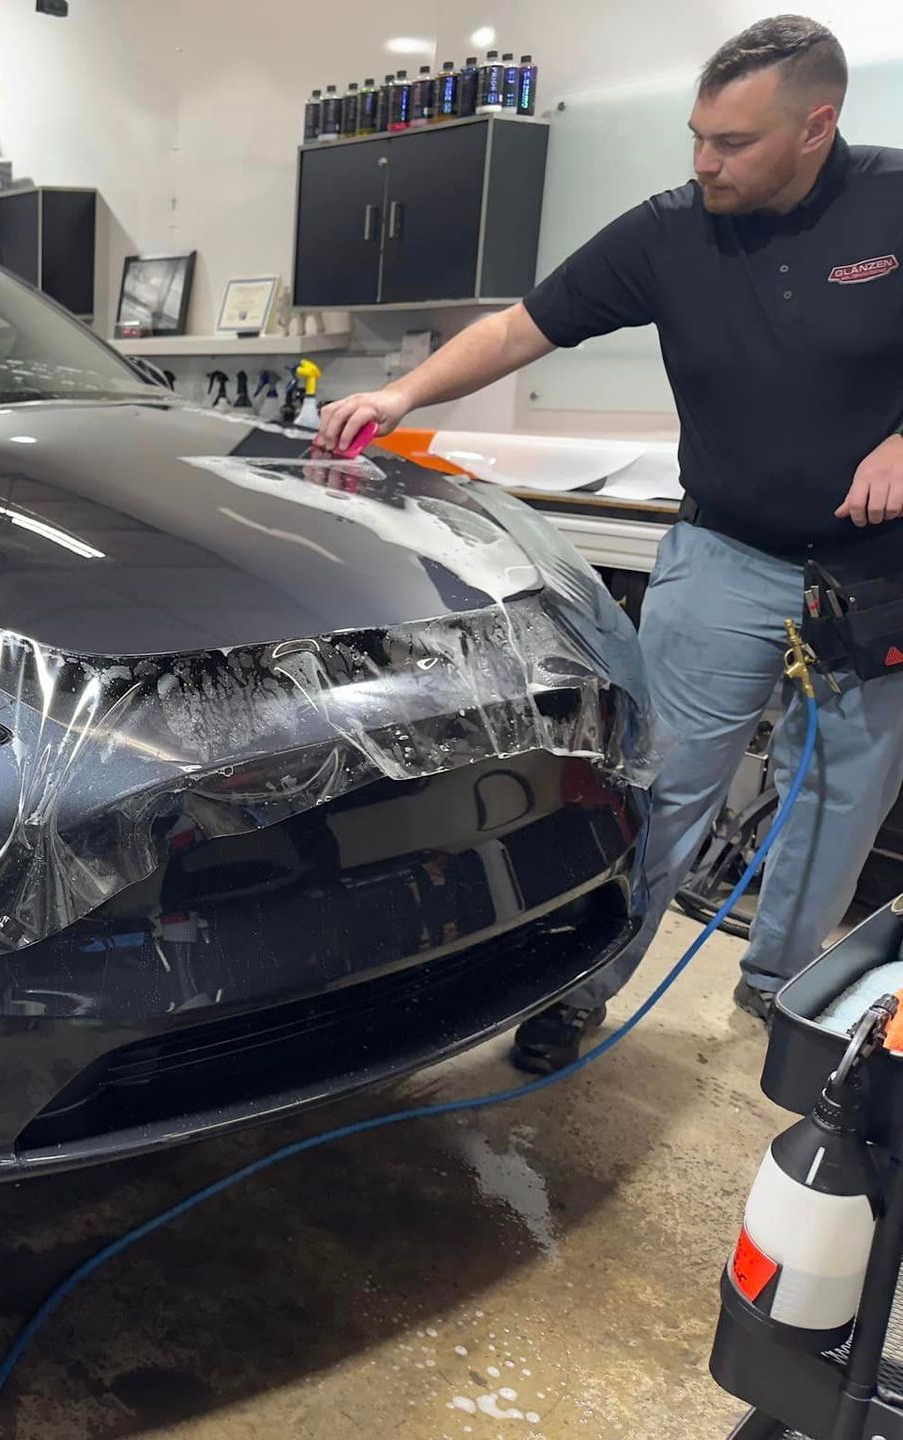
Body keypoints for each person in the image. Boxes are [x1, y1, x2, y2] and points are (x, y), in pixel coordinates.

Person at [317, 15, 903, 1074]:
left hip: (882, 578)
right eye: (696, 136)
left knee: (840, 798)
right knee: (661, 783)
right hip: (725, 555)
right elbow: (520, 328)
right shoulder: (672, 229)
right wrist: (398, 393)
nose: (703, 162)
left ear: (818, 127)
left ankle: (779, 992)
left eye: (733, 144)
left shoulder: (897, 200)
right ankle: (585, 983)